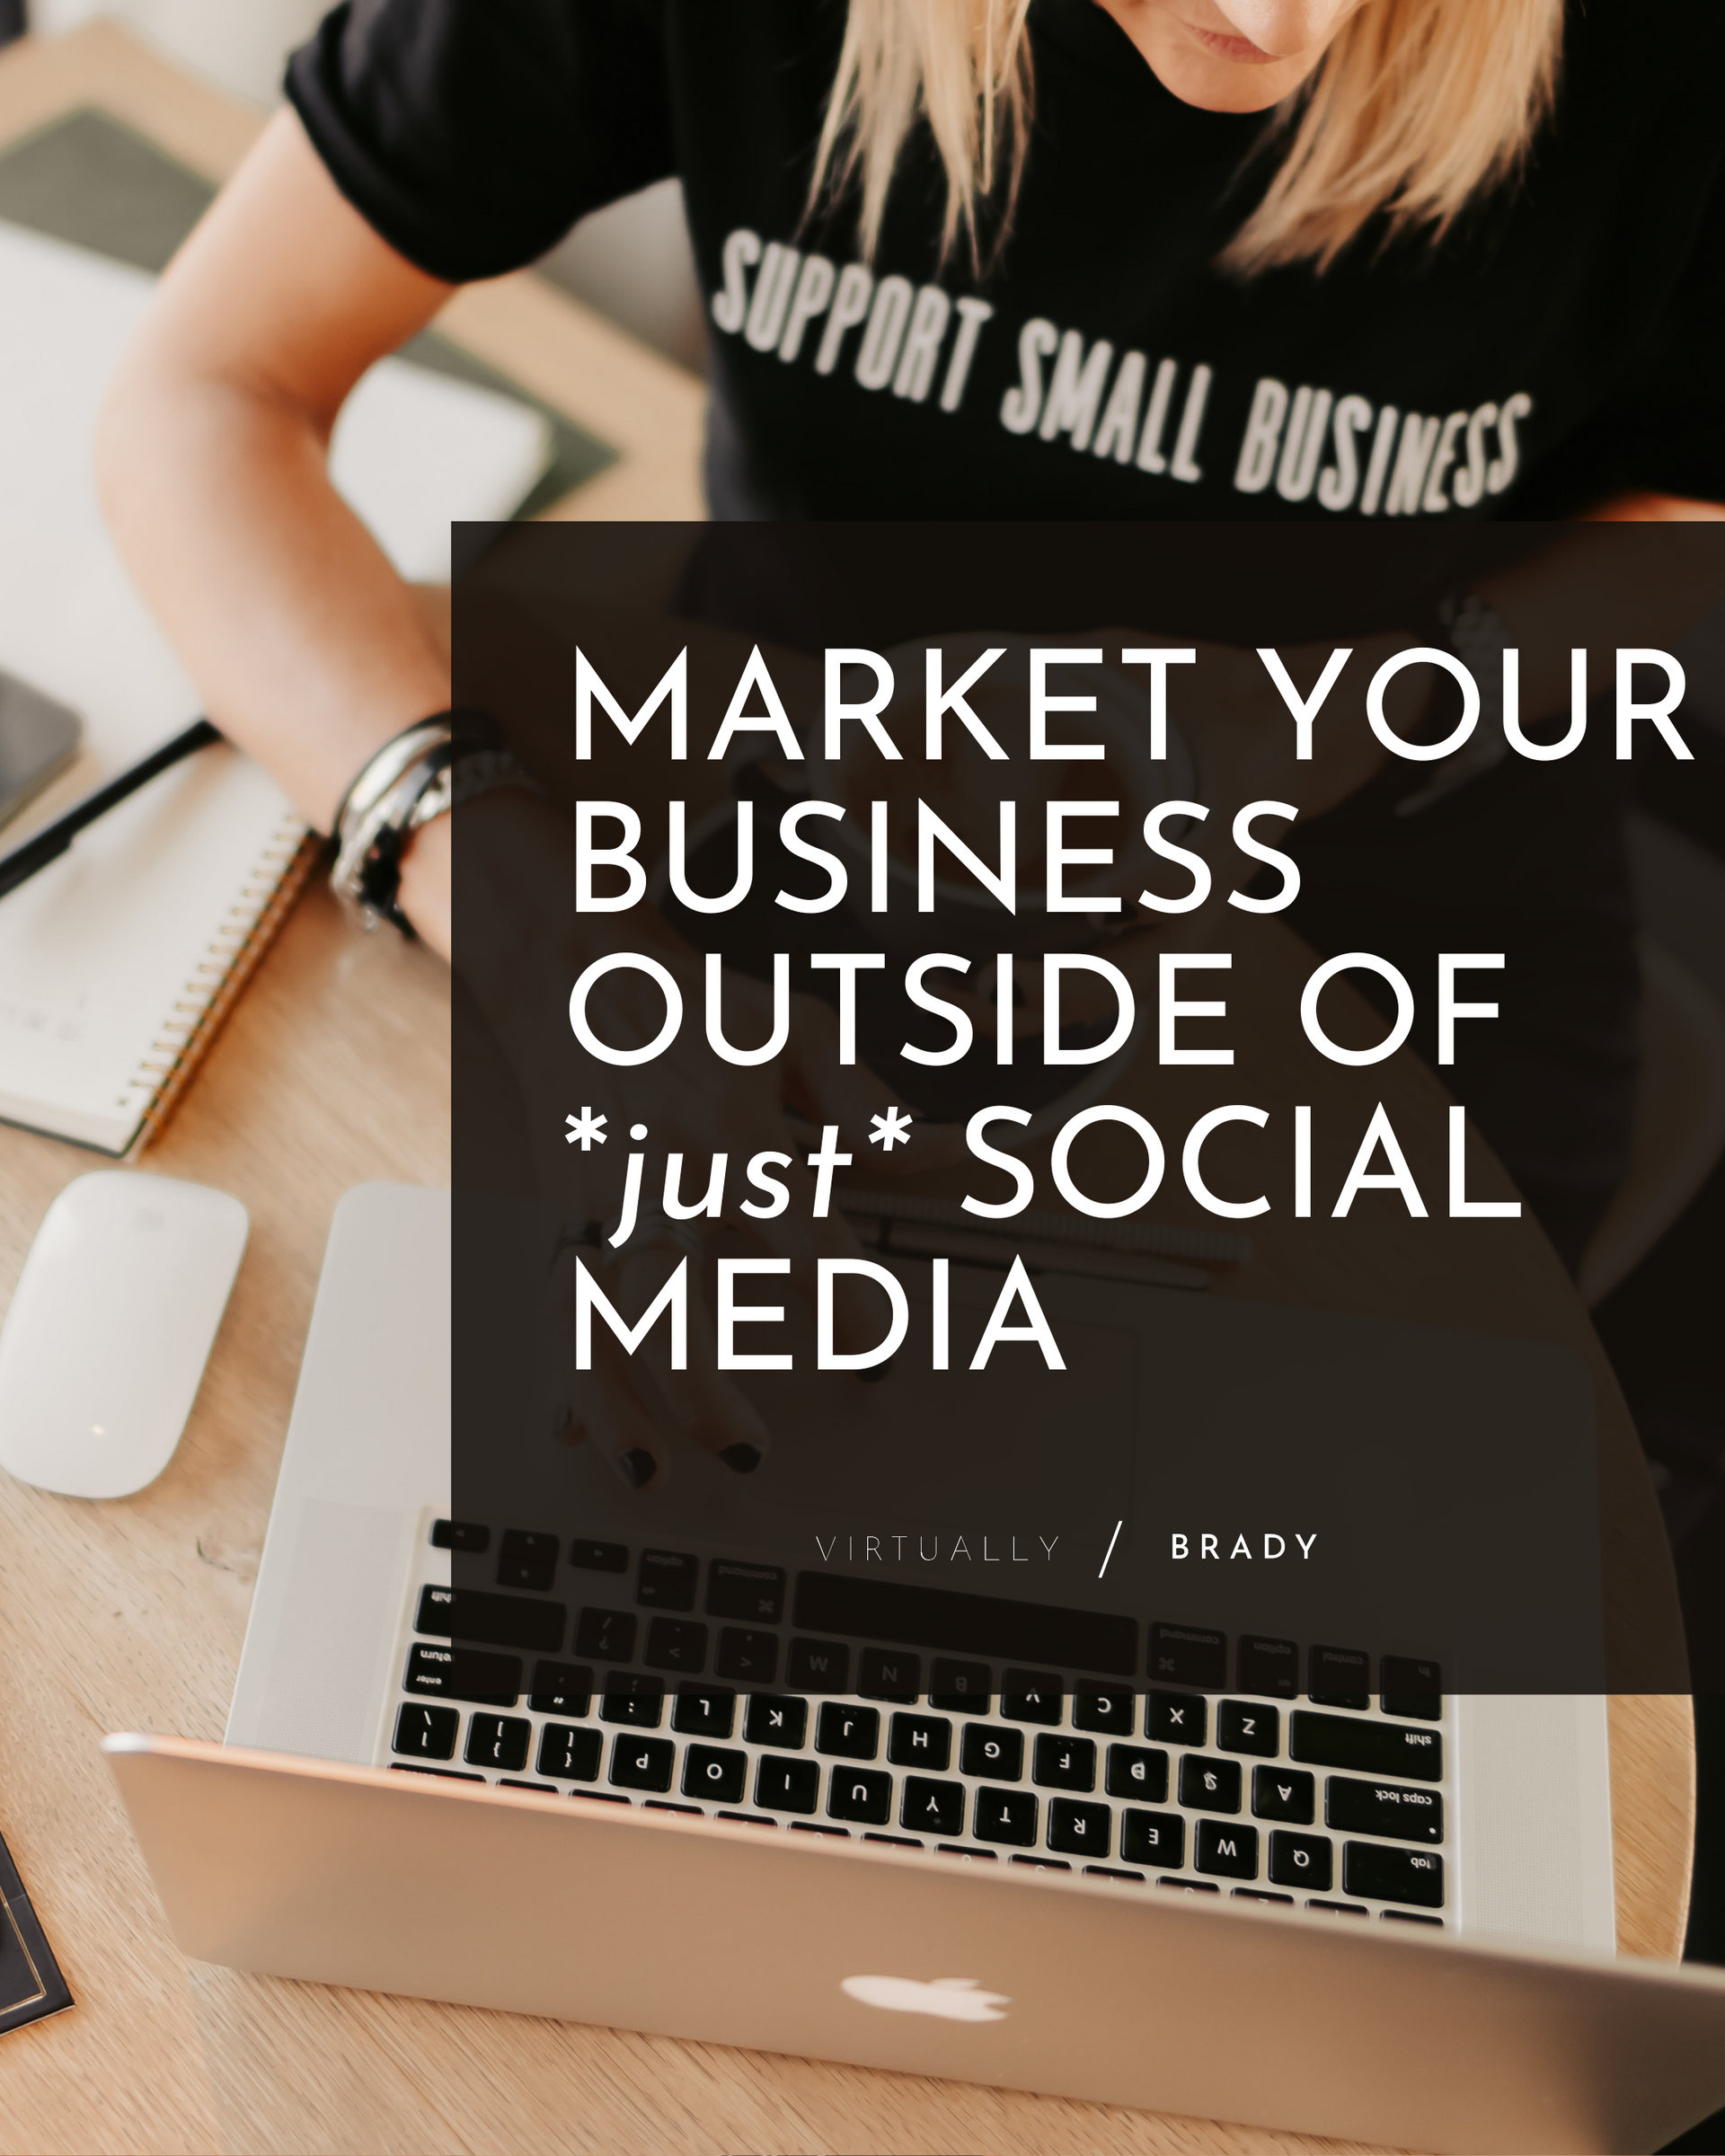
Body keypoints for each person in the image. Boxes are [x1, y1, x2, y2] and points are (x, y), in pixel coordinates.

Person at [94, 0, 1722, 1478]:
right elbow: (206, 396)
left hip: (1371, 958)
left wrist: (1336, 713)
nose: (1276, 19)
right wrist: (546, 945)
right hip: (795, 885)